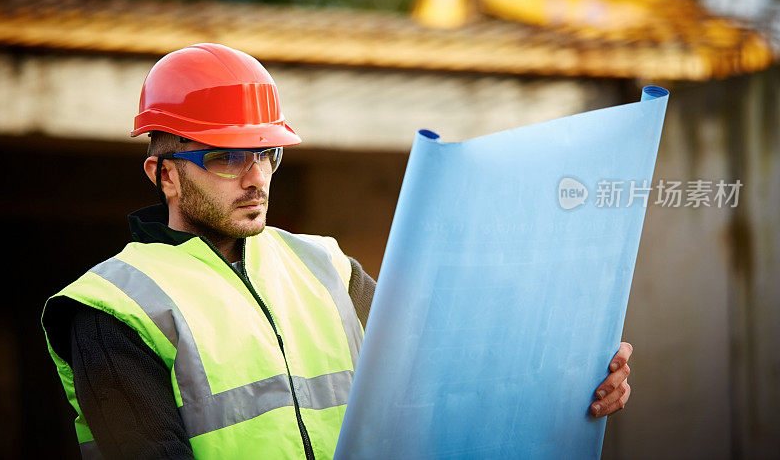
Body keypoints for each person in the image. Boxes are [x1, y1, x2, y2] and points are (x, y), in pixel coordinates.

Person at [42, 43, 633, 459]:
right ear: (164, 175)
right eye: (226, 157)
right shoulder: (112, 307)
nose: (256, 178)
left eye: (266, 153)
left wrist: (577, 381)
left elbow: (452, 369)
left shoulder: (324, 267)